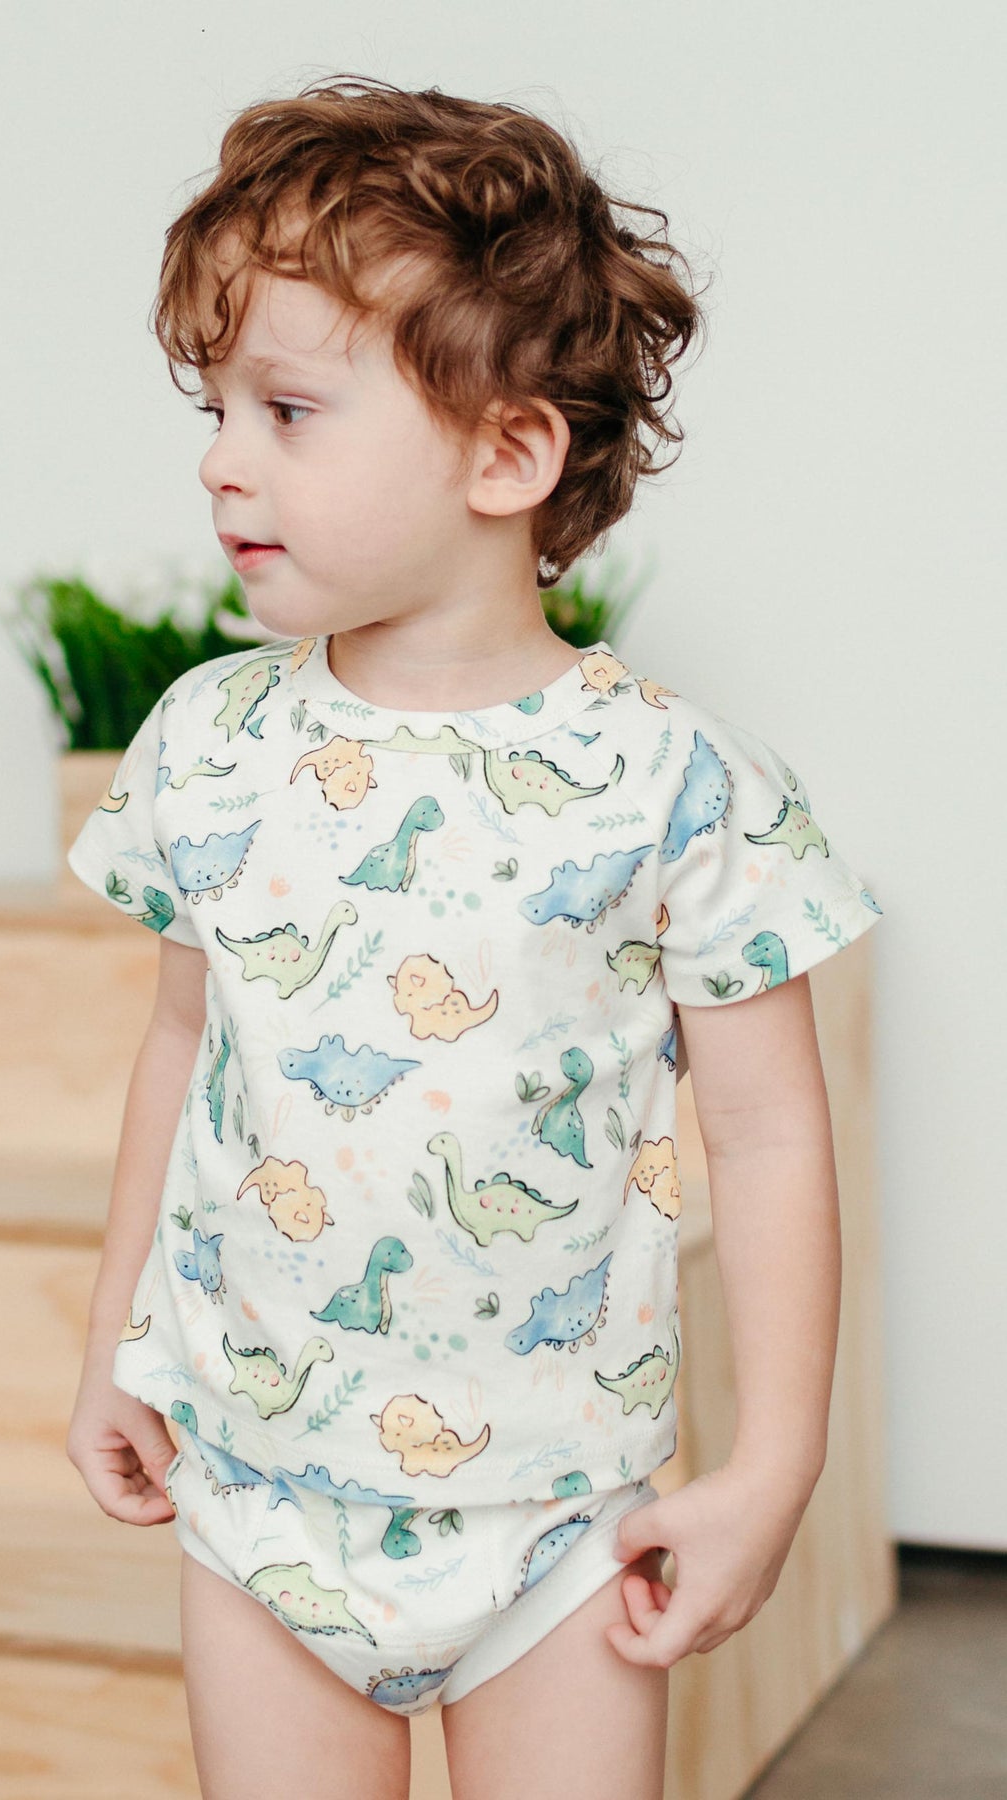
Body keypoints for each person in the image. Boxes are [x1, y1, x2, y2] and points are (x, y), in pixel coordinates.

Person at [64, 74, 884, 1800]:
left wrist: (775, 1464)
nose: (221, 459)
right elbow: (181, 1046)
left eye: (289, 409)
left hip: (561, 1519)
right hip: (258, 1492)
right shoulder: (207, 745)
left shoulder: (675, 786)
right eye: (216, 407)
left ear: (507, 455)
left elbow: (768, 1132)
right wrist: (112, 1350)